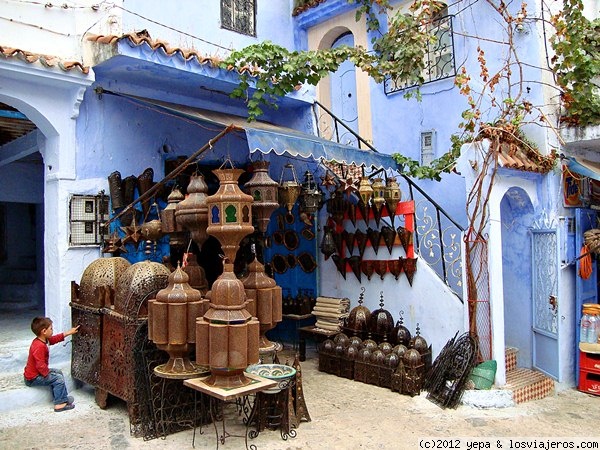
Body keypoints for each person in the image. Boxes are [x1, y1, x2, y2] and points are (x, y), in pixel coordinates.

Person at [23, 317, 80, 412]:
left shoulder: (43, 340)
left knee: (58, 372)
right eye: (51, 329)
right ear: (44, 331)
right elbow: (40, 365)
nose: (52, 330)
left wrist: (69, 332)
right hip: (32, 378)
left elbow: (54, 339)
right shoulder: (39, 346)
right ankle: (59, 404)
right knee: (58, 379)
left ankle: (62, 398)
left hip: (38, 373)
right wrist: (47, 375)